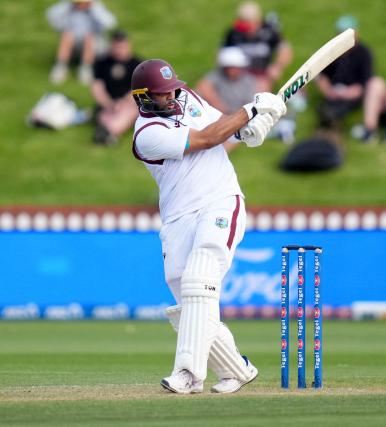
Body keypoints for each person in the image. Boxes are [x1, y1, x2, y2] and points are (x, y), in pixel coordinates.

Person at [130, 59, 286, 394]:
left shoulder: (188, 98)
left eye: (172, 89)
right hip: (177, 218)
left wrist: (248, 129)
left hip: (220, 201)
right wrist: (249, 110)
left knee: (200, 279)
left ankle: (188, 374)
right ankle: (237, 369)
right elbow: (205, 138)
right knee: (188, 305)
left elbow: (222, 128)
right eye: (161, 94)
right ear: (143, 97)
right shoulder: (146, 135)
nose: (171, 96)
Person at [316, 15, 373, 129]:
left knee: (340, 107)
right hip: (333, 91)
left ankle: (332, 120)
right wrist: (329, 91)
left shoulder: (363, 53)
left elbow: (364, 83)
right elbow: (321, 76)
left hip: (351, 93)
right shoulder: (331, 51)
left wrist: (345, 93)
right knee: (325, 107)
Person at [196, 47, 257, 152]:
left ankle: (221, 151)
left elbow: (251, 104)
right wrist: (218, 105)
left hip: (236, 118)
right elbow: (202, 87)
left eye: (238, 67)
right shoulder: (216, 77)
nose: (235, 70)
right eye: (232, 67)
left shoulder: (247, 81)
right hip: (215, 116)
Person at [222, 1, 293, 91]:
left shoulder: (269, 32)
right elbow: (222, 56)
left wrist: (277, 67)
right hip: (238, 75)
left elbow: (285, 51)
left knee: (260, 88)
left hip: (261, 76)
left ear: (257, 21)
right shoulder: (234, 33)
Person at [46, 0, 117, 85]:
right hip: (73, 46)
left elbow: (111, 24)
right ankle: (61, 66)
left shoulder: (96, 7)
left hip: (95, 47)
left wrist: (92, 7)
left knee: (89, 37)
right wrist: (68, 5)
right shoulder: (68, 7)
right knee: (67, 35)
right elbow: (50, 16)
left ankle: (85, 68)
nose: (81, 5)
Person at [91, 30, 141, 145]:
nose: (120, 51)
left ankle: (108, 132)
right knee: (104, 114)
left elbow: (138, 90)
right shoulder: (102, 63)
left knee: (130, 112)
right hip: (107, 104)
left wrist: (122, 103)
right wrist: (109, 104)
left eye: (122, 47)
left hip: (128, 104)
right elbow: (97, 88)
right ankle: (109, 134)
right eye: (117, 47)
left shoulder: (137, 65)